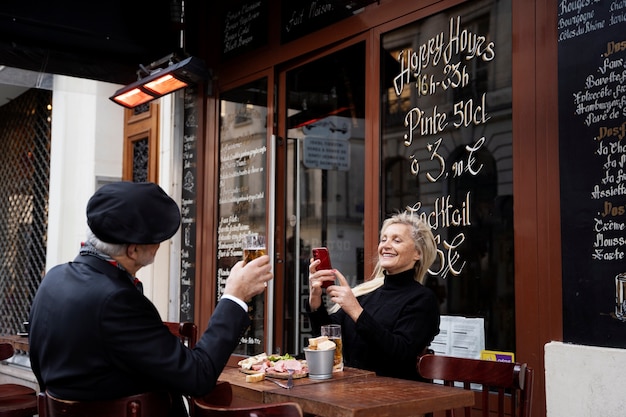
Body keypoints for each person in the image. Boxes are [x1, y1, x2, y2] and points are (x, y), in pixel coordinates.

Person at [29, 181, 272, 417]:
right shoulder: (117, 300)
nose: (161, 244)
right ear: (133, 250)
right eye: (157, 238)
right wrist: (235, 295)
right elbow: (198, 376)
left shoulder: (54, 278)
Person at [307, 211, 440, 381]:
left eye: (397, 240)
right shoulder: (366, 293)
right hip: (352, 391)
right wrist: (315, 301)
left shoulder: (422, 299)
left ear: (418, 254)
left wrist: (356, 311)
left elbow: (401, 353)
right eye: (383, 239)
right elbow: (327, 340)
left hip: (396, 400)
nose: (386, 245)